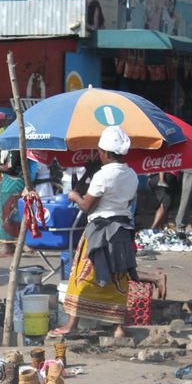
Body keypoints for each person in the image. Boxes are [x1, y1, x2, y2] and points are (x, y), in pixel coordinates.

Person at [52, 126, 139, 339]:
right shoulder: (132, 174)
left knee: (82, 276)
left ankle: (72, 325)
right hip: (122, 229)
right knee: (119, 277)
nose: (98, 153)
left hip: (100, 230)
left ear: (108, 153)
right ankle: (118, 327)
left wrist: (73, 196)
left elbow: (87, 206)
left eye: (100, 150)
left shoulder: (103, 176)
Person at [0, 149, 27, 246]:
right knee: (8, 215)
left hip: (12, 185)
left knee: (9, 215)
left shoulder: (15, 149)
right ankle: (12, 246)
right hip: (8, 184)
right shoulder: (11, 149)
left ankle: (9, 248)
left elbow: (10, 167)